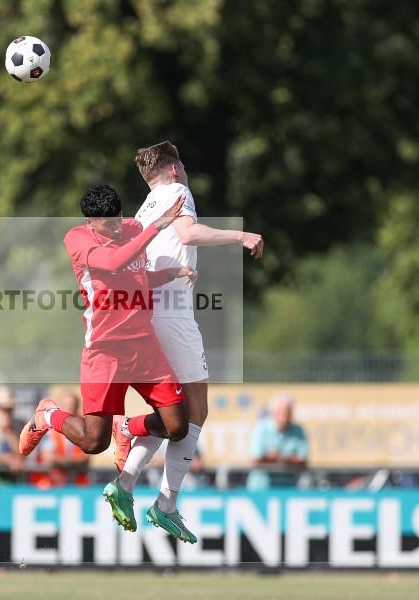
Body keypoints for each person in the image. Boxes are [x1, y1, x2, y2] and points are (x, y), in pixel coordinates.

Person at [108, 140, 264, 544]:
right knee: (197, 410)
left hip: (144, 312)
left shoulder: (145, 207)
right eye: (184, 164)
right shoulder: (177, 193)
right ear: (174, 169)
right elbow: (188, 233)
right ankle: (164, 501)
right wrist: (241, 235)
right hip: (169, 315)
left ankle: (125, 484)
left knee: (174, 414)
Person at [18, 184, 194, 527]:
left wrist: (168, 274)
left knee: (178, 427)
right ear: (89, 222)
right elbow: (113, 263)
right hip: (105, 352)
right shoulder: (78, 240)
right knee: (93, 442)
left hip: (144, 347)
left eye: (118, 220)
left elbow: (136, 277)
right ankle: (48, 415)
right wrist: (156, 226)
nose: (116, 228)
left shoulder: (131, 229)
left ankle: (127, 427)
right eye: (107, 225)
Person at [29, 386, 91, 488]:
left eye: (73, 406)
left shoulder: (84, 428)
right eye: (67, 406)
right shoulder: (48, 427)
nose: (70, 409)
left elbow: (85, 458)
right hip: (48, 484)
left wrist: (62, 460)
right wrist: (72, 461)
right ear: (59, 407)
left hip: (75, 486)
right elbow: (48, 458)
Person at [247, 393, 308, 491]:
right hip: (262, 488)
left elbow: (303, 459)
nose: (284, 414)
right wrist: (273, 458)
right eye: (281, 411)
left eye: (287, 411)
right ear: (273, 412)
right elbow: (256, 458)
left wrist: (280, 458)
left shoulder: (298, 430)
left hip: (288, 487)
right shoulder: (261, 428)